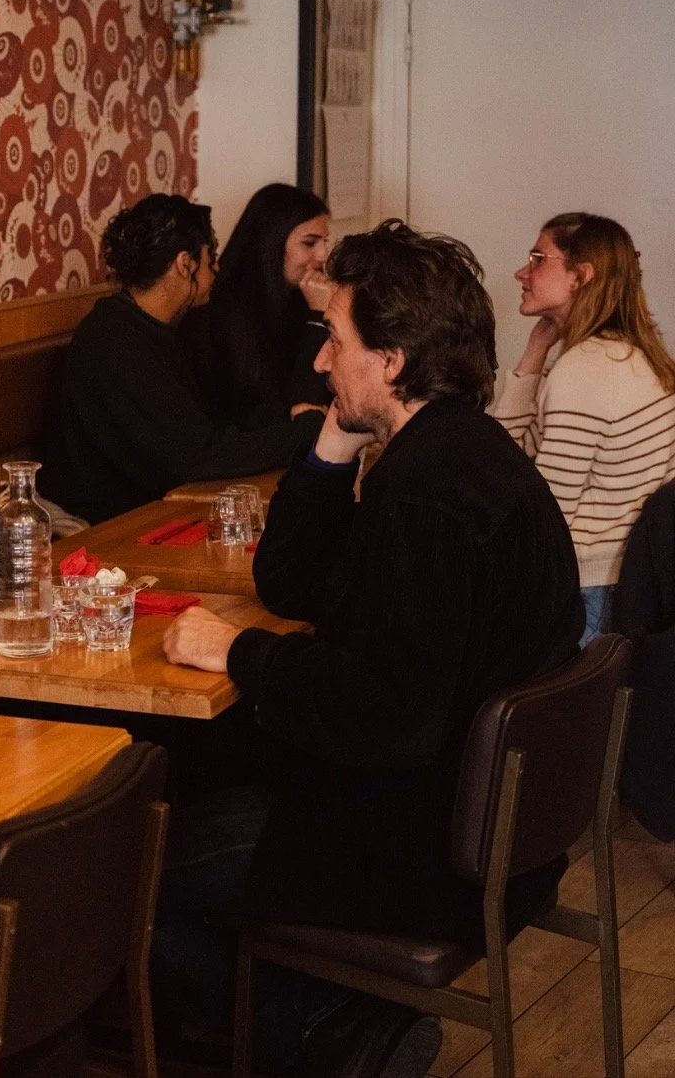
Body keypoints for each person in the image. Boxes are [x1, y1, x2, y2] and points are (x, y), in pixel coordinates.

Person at [156, 220, 582, 1077]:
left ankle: (328, 1034)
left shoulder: (426, 498)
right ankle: (338, 1012)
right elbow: (294, 584)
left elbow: (384, 712)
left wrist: (239, 654)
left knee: (131, 871)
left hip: (422, 845)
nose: (321, 361)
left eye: (337, 342)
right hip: (486, 824)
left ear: (391, 361)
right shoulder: (463, 451)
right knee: (201, 780)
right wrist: (331, 444)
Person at [39, 194, 323, 525]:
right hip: (110, 524)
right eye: (210, 258)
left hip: (155, 506)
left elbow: (209, 427)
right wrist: (302, 433)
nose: (216, 270)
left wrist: (285, 418)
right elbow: (196, 458)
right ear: (184, 264)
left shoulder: (154, 328)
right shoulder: (114, 340)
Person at [491, 212, 675, 645]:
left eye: (538, 259)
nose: (522, 272)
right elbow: (508, 454)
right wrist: (537, 347)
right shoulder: (629, 355)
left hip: (588, 591)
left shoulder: (585, 371)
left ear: (581, 276)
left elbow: (543, 513)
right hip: (626, 582)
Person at [179, 183, 334, 423]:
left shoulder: (298, 297)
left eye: (325, 242)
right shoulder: (229, 307)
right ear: (272, 241)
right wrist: (317, 318)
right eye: (309, 243)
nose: (323, 255)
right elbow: (296, 409)